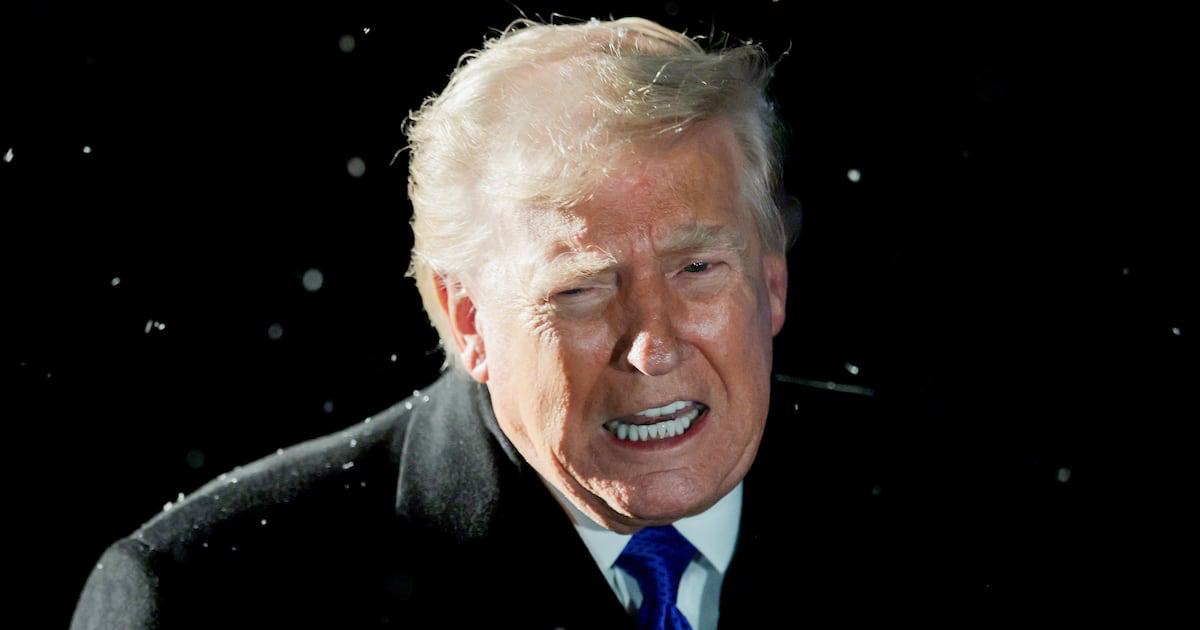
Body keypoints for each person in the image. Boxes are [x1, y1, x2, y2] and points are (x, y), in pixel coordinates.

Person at [69, 16, 918, 629]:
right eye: (581, 290)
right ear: (467, 318)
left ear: (771, 280)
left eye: (697, 270)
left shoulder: (946, 504)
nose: (653, 347)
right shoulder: (212, 598)